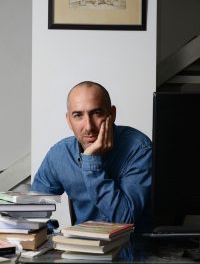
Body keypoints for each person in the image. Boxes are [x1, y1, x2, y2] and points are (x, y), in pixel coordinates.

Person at [31, 81, 152, 232]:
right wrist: (47, 234)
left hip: (132, 252)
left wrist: (91, 161)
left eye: (96, 113)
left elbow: (125, 220)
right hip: (81, 249)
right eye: (78, 115)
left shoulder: (139, 148)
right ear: (69, 120)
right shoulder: (60, 154)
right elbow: (32, 212)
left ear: (112, 114)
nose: (88, 127)